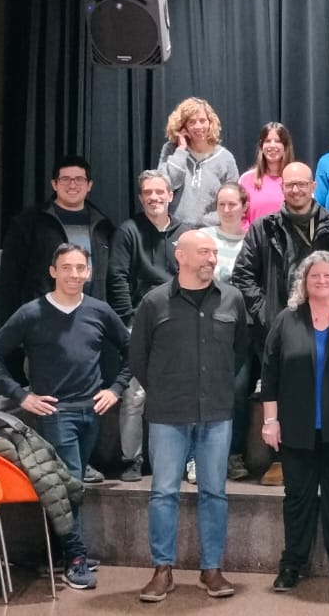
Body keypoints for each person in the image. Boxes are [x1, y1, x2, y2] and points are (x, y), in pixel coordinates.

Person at [0, 244, 127, 589]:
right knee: (69, 485)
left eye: (80, 268)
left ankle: (65, 552)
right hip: (55, 415)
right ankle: (75, 558)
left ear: (89, 272)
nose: (74, 274)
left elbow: (132, 350)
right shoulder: (31, 313)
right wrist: (21, 396)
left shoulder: (100, 311)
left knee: (71, 485)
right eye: (67, 267)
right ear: (53, 271)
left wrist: (116, 389)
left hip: (92, 413)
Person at [130, 231, 251, 602]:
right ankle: (162, 569)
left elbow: (239, 352)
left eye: (214, 253)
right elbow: (138, 357)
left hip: (216, 412)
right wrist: (165, 390)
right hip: (168, 414)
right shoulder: (154, 302)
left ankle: (211, 568)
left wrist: (216, 386)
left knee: (214, 492)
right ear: (180, 256)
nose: (211, 259)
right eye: (203, 252)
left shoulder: (232, 299)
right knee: (163, 492)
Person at [259, 252, 329, 594]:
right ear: (304, 282)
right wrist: (270, 420)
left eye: (328, 275)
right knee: (297, 497)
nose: (321, 281)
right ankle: (292, 564)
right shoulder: (287, 319)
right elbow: (270, 372)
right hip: (296, 426)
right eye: (314, 276)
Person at [231, 161, 329, 486]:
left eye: (302, 184)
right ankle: (280, 459)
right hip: (277, 325)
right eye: (290, 184)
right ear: (282, 188)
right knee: (281, 389)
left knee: (323, 388)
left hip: (323, 322)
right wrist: (268, 315)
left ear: (313, 187)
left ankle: (323, 456)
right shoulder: (263, 227)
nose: (296, 190)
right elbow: (243, 275)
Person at [108, 171, 193, 482]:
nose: (154, 197)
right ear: (141, 197)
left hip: (179, 324)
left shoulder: (186, 233)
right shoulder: (128, 231)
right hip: (140, 324)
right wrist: (128, 321)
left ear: (170, 195)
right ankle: (131, 458)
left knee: (182, 395)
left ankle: (180, 460)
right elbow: (117, 277)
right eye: (147, 193)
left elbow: (194, 275)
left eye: (159, 192)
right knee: (134, 395)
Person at [0, 156, 115, 320]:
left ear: (89, 185)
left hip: (91, 318)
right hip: (43, 319)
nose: (72, 185)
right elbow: (10, 279)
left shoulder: (104, 226)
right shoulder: (28, 223)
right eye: (65, 179)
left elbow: (112, 279)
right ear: (54, 184)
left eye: (79, 179)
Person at [199, 182, 253, 482]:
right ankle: (197, 457)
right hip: (206, 327)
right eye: (222, 204)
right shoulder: (204, 237)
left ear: (244, 206)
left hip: (241, 329)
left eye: (233, 204)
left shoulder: (253, 238)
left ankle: (233, 455)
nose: (227, 209)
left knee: (238, 391)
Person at [158, 97, 240, 226]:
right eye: (191, 122)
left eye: (202, 120)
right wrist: (181, 150)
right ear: (183, 126)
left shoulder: (226, 158)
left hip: (211, 230)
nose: (198, 126)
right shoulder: (171, 150)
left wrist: (209, 223)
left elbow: (233, 199)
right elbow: (168, 186)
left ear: (210, 123)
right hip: (175, 228)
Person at [239, 122, 295, 225]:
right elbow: (239, 217)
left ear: (285, 146)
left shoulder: (296, 179)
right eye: (268, 141)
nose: (272, 145)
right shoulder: (246, 179)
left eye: (278, 141)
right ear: (261, 146)